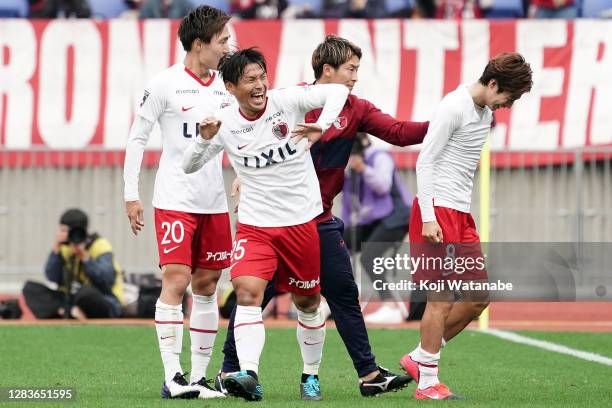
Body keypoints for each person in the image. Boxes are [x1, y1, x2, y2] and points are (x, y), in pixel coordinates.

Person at [218, 35, 430, 398]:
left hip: (317, 219)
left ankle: (367, 374)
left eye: (358, 69)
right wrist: (244, 175)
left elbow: (397, 132)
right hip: (271, 220)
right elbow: (252, 139)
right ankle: (229, 371)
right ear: (327, 70)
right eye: (351, 69)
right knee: (252, 294)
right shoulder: (290, 101)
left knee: (340, 293)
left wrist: (445, 125)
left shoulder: (354, 109)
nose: (355, 77)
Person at [182, 47, 350, 401]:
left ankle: (310, 375)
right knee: (247, 294)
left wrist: (323, 123)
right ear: (230, 87)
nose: (259, 86)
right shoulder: (224, 123)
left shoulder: (286, 102)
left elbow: (338, 91)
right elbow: (189, 165)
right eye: (250, 80)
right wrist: (204, 139)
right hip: (256, 226)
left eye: (262, 77)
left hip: (300, 223)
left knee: (308, 301)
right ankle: (249, 375)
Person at [399, 52, 533, 400]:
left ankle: (420, 357)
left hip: (460, 215)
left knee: (477, 298)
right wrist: (428, 216)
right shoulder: (453, 106)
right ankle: (428, 383)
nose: (508, 104)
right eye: (508, 96)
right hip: (436, 212)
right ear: (492, 83)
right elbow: (425, 161)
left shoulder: (484, 112)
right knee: (440, 299)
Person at [123, 5, 232, 400]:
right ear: (199, 44)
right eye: (222, 41)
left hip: (214, 202)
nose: (227, 47)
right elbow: (138, 138)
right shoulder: (164, 84)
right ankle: (173, 377)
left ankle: (199, 379)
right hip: (174, 200)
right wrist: (130, 194)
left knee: (207, 285)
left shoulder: (227, 85)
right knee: (177, 279)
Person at [342, 133, 412, 324]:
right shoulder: (350, 166)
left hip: (397, 218)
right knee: (337, 244)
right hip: (377, 219)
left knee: (369, 257)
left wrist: (363, 168)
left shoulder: (379, 157)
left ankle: (390, 305)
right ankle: (335, 302)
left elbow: (382, 186)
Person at [22, 209, 125, 319]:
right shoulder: (64, 248)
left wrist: (85, 257)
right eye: (61, 230)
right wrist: (56, 250)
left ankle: (66, 312)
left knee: (85, 293)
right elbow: (52, 277)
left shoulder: (99, 245)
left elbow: (107, 279)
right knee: (30, 288)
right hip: (71, 297)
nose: (65, 235)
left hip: (102, 297)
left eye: (66, 231)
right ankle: (69, 312)